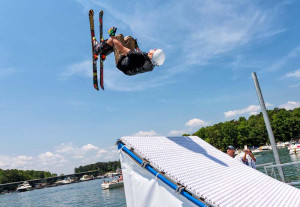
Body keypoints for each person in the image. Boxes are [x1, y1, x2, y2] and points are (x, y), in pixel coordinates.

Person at [93, 27, 165, 76]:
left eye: (155, 50)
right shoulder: (152, 64)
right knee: (129, 39)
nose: (154, 48)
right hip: (130, 65)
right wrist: (136, 47)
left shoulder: (140, 57)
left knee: (118, 37)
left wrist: (112, 36)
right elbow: (142, 55)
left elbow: (122, 48)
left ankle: (99, 49)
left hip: (121, 62)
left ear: (152, 55)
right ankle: (107, 50)